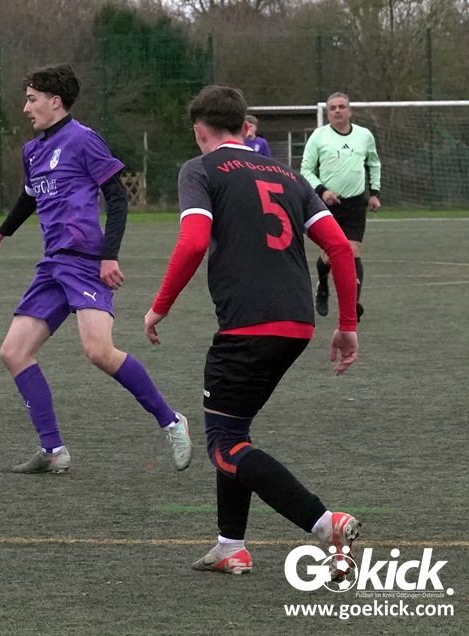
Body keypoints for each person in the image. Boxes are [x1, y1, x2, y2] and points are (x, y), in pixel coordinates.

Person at [144, 85, 361, 576]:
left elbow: (193, 241)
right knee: (234, 430)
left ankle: (324, 523)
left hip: (247, 327)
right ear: (245, 127)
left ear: (199, 131)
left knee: (223, 445)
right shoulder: (288, 175)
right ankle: (230, 546)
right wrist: (347, 325)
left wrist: (159, 307)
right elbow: (339, 248)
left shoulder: (200, 169)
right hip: (297, 324)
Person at [0, 63, 191, 474]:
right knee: (13, 352)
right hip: (52, 265)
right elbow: (29, 198)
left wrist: (108, 255)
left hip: (85, 263)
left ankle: (172, 422)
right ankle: (52, 450)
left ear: (55, 102)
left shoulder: (84, 140)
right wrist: (0, 234)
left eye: (32, 99)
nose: (25, 108)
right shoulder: (32, 151)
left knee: (99, 352)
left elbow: (117, 199)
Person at [301, 92, 381, 321]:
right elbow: (306, 169)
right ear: (328, 113)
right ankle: (323, 285)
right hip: (326, 205)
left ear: (350, 111)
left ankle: (353, 305)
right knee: (329, 256)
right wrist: (322, 191)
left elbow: (374, 164)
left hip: (356, 203)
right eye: (333, 108)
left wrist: (375, 193)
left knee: (352, 251)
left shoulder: (364, 136)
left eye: (342, 107)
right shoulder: (319, 136)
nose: (337, 110)